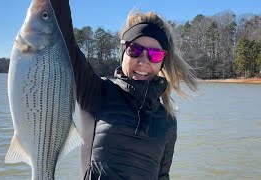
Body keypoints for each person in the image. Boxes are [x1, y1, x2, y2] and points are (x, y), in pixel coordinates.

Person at [51, 0, 198, 179]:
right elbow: (64, 39)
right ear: (122, 52)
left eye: (155, 54)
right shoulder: (97, 91)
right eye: (135, 50)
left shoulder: (167, 119)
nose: (143, 61)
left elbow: (162, 175)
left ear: (162, 62)